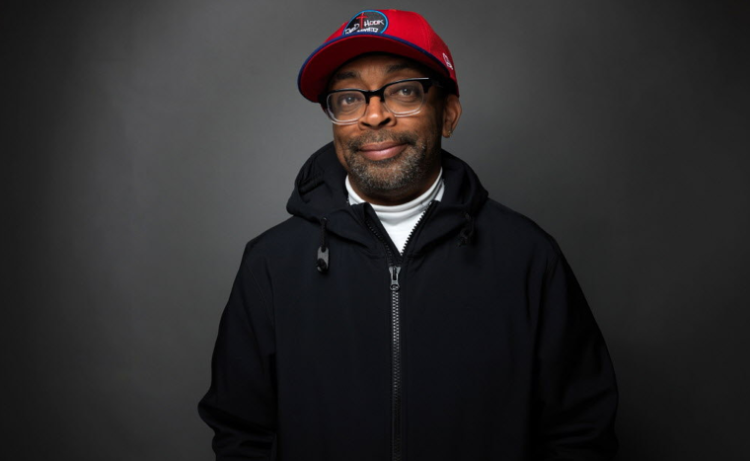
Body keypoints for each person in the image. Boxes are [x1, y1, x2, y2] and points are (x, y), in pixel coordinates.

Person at [198, 9, 618, 461]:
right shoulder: (271, 263)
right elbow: (241, 434)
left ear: (448, 114)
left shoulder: (528, 257)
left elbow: (579, 432)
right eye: (349, 98)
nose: (374, 115)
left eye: (403, 91)